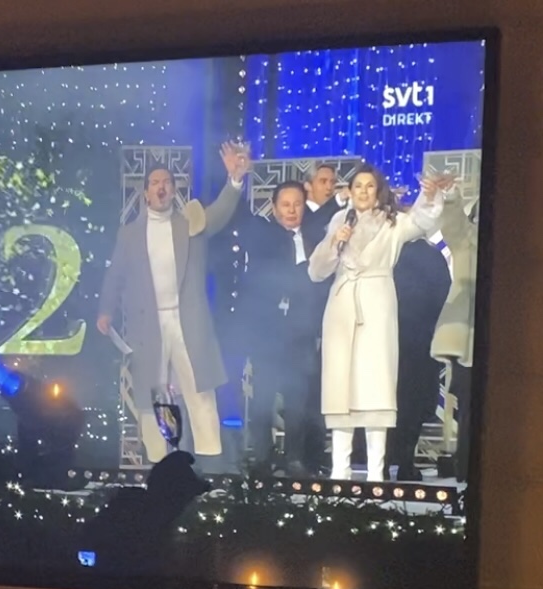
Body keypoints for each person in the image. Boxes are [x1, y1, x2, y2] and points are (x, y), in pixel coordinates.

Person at [97, 142, 250, 472]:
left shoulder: (190, 223)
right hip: (149, 325)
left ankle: (210, 461)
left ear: (174, 189)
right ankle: (159, 462)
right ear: (146, 193)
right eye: (155, 182)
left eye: (166, 181)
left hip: (187, 321)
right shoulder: (129, 234)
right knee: (153, 396)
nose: (161, 186)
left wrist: (235, 180)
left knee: (199, 389)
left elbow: (220, 213)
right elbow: (116, 274)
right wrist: (105, 310)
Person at [307, 164, 445, 482]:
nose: (363, 192)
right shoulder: (339, 221)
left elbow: (422, 220)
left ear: (378, 191)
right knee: (340, 387)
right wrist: (334, 243)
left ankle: (375, 471)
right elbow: (316, 271)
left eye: (369, 186)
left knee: (375, 385)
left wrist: (429, 195)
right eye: (358, 186)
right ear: (350, 191)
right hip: (341, 306)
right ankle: (340, 469)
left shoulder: (392, 223)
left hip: (376, 305)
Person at [235, 180, 332, 477]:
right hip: (267, 332)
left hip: (302, 331)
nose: (292, 210)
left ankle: (295, 459)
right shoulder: (264, 235)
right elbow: (241, 218)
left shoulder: (315, 237)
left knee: (299, 400)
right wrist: (236, 181)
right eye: (285, 205)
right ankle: (262, 457)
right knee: (263, 397)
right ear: (275, 208)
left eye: (297, 204)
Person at [387, 236, 451, 480]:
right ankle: (405, 462)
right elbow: (444, 296)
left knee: (387, 402)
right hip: (421, 341)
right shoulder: (431, 255)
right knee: (414, 406)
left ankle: (382, 461)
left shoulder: (387, 251)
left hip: (388, 339)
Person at [430, 185, 478, 482]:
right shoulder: (466, 240)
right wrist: (449, 194)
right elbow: (453, 224)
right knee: (470, 406)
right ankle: (467, 469)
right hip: (469, 339)